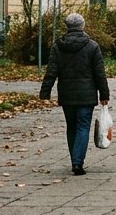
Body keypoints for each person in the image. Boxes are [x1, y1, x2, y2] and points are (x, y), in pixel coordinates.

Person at [39, 12, 110, 175]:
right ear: (82, 26)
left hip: (67, 93)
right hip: (86, 94)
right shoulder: (92, 46)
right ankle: (77, 162)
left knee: (71, 126)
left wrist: (45, 92)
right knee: (83, 126)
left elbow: (52, 71)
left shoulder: (58, 46)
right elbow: (99, 73)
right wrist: (104, 94)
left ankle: (74, 159)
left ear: (67, 27)